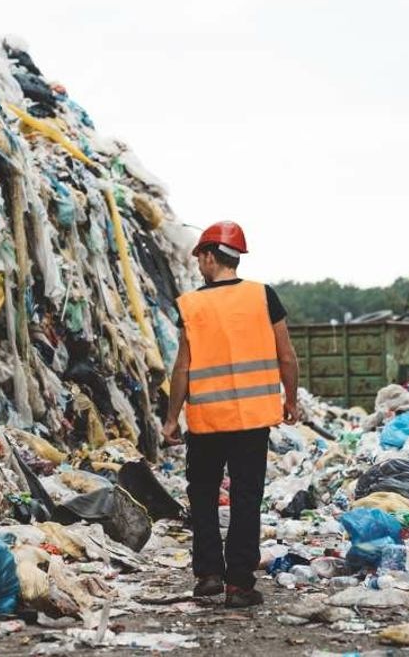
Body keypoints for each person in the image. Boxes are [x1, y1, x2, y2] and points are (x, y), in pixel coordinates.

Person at [162, 221, 299, 607]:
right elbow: (286, 355)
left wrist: (172, 418)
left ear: (209, 256)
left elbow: (182, 368)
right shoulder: (263, 296)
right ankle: (239, 583)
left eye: (200, 258)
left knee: (203, 497)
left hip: (206, 422)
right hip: (252, 420)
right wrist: (291, 399)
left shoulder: (191, 305)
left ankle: (208, 575)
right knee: (245, 498)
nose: (199, 266)